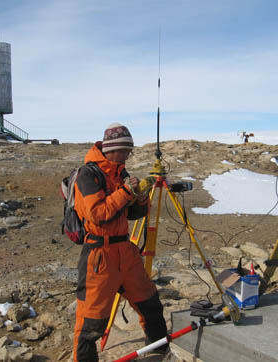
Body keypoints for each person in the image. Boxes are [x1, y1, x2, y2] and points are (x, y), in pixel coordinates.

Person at [72, 123, 168, 362]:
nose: (128, 156)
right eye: (126, 150)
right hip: (100, 257)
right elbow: (98, 213)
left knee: (151, 305)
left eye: (129, 151)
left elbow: (134, 214)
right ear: (113, 149)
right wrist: (127, 192)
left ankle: (158, 351)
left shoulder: (120, 173)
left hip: (125, 251)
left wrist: (141, 197)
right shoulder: (88, 175)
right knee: (91, 325)